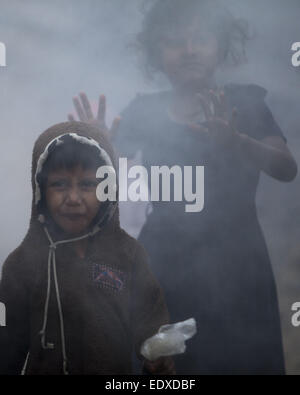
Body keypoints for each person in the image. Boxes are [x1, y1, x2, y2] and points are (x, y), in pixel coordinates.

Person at [70, 0, 297, 374]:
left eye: (200, 38)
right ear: (156, 54)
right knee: (163, 365)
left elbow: (286, 168)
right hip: (162, 263)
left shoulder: (244, 102)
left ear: (221, 46)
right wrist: (99, 147)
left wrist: (236, 140)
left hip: (238, 261)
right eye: (175, 41)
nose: (189, 50)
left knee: (241, 358)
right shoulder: (143, 111)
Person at [0, 120, 175, 375]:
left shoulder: (128, 255)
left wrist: (157, 354)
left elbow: (149, 318)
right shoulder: (22, 264)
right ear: (39, 188)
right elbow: (7, 348)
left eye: (87, 185)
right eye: (59, 184)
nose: (73, 198)